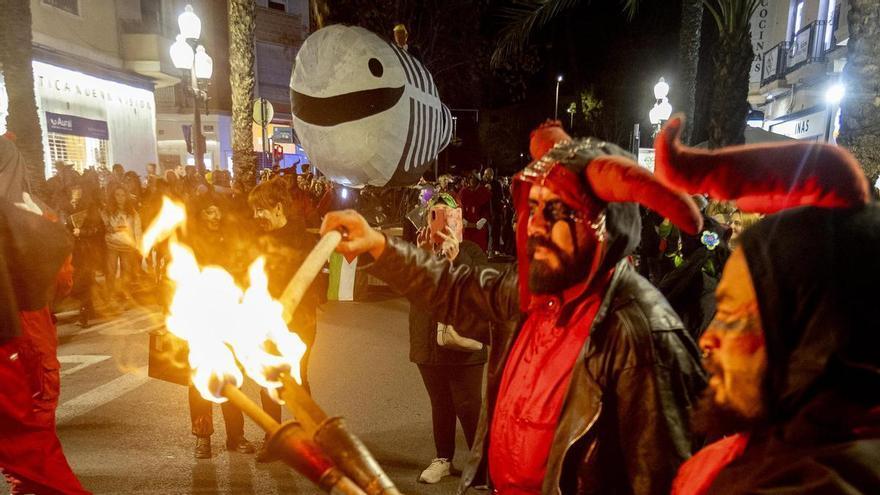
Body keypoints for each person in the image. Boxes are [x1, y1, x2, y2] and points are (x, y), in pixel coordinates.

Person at [322, 121, 707, 494]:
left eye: (556, 212)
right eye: (533, 208)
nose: (535, 225)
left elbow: (663, 479)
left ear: (601, 226)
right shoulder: (532, 292)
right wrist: (378, 246)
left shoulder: (642, 336)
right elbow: (456, 289)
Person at [652, 116, 880, 494]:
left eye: (732, 317)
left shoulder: (813, 484)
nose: (708, 339)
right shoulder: (765, 447)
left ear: (808, 336)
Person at [411, 194, 489, 484]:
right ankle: (443, 458)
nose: (443, 224)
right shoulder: (422, 251)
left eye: (449, 216)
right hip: (428, 342)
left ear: (460, 222)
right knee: (440, 403)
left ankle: (483, 465)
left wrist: (457, 260)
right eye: (436, 216)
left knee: (468, 407)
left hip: (463, 345)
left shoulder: (472, 251)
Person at [248, 178, 320, 462]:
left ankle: (309, 436)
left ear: (278, 207)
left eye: (261, 209)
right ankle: (273, 436)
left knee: (297, 380)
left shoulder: (303, 240)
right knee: (268, 379)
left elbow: (313, 284)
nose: (256, 216)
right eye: (254, 210)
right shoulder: (258, 239)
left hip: (299, 324)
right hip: (263, 322)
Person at [184, 194, 256, 458]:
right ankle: (202, 438)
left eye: (217, 211)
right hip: (199, 317)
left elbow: (243, 271)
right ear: (200, 215)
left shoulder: (230, 237)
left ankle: (235, 435)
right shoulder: (189, 242)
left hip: (228, 316)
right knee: (199, 380)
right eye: (209, 211)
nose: (215, 216)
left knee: (231, 377)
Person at [60, 183, 104, 327]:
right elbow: (60, 226)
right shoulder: (64, 208)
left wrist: (82, 232)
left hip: (87, 250)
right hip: (71, 250)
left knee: (85, 280)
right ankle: (89, 309)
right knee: (78, 281)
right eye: (74, 189)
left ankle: (84, 312)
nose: (77, 192)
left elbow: (98, 228)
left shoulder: (90, 207)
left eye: (79, 189)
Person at [102, 184, 142, 304]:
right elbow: (104, 226)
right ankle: (110, 294)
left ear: (126, 197)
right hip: (112, 244)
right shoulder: (108, 211)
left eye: (123, 195)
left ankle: (125, 293)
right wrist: (112, 228)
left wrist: (138, 246)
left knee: (126, 271)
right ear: (113, 196)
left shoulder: (132, 213)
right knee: (111, 271)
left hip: (127, 246)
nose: (120, 198)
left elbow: (137, 229)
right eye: (117, 195)